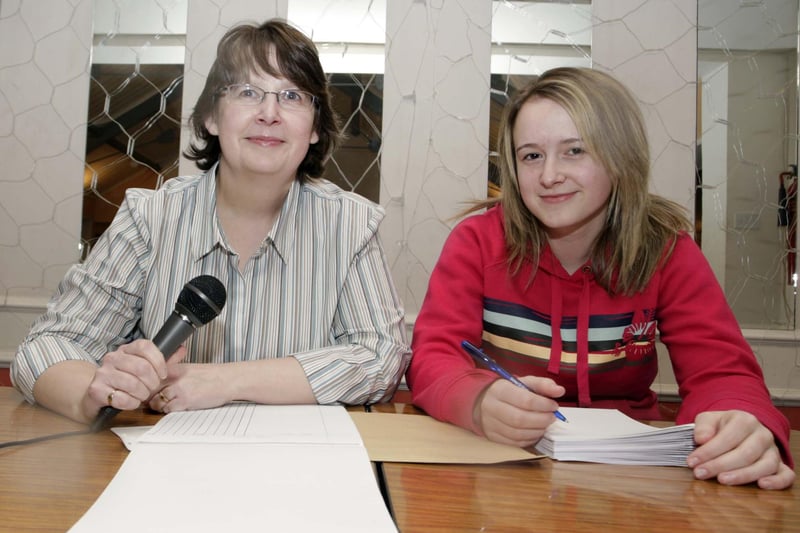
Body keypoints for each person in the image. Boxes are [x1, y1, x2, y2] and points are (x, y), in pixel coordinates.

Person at [406, 67, 795, 490]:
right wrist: (478, 401)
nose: (550, 175)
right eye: (531, 155)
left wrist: (743, 424)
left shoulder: (667, 249)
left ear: (620, 156)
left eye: (574, 150)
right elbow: (434, 356)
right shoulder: (477, 241)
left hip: (632, 478)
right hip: (505, 467)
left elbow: (723, 373)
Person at [12, 19, 410, 425]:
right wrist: (92, 394)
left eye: (291, 95)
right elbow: (46, 347)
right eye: (247, 92)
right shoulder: (149, 219)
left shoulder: (351, 225)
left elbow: (381, 359)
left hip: (295, 466)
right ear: (212, 118)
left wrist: (223, 382)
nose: (269, 114)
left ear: (314, 128)